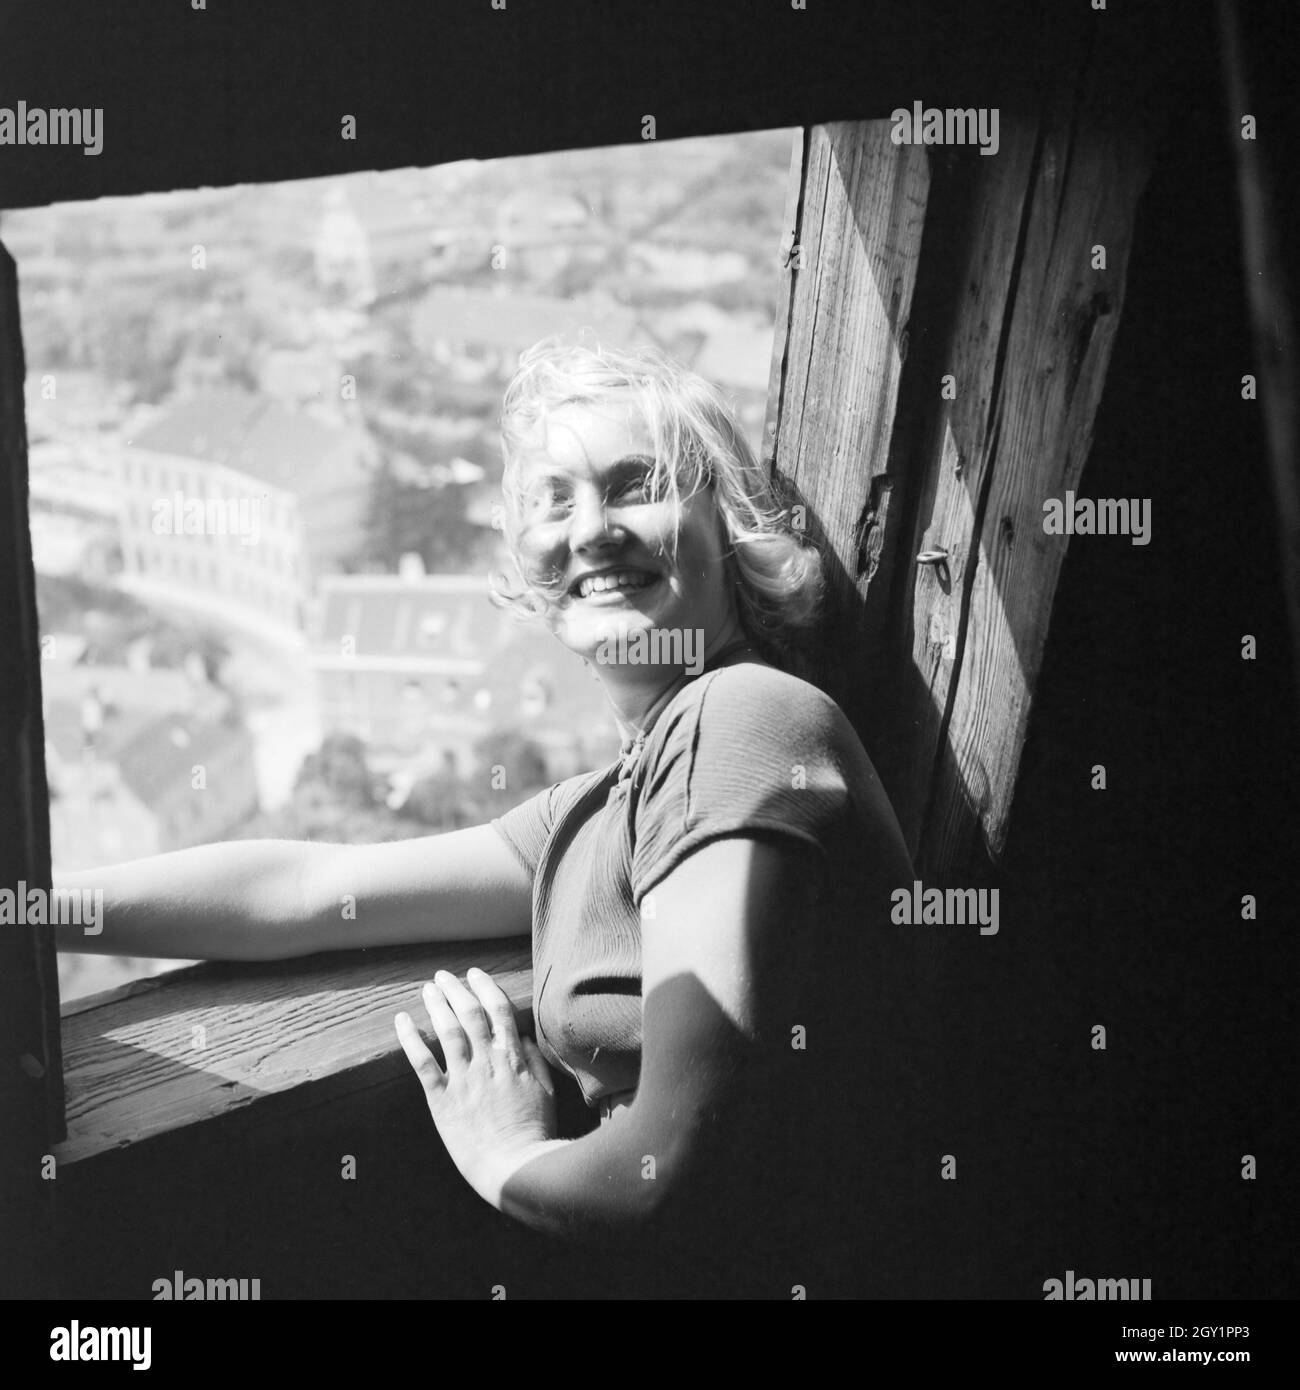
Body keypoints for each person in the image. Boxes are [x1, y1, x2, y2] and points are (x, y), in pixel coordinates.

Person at [57, 339, 918, 1297]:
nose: (592, 530)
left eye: (636, 486)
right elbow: (312, 890)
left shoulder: (741, 720)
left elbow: (666, 1173)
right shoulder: (605, 806)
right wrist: (41, 908)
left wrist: (504, 1154)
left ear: (729, 524)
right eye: (556, 501)